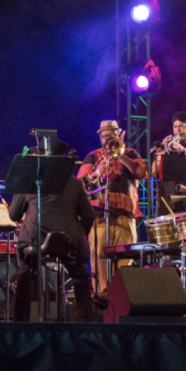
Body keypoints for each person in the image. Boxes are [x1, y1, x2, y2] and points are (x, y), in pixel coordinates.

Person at [9, 139, 96, 322]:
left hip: (35, 239)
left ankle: (19, 323)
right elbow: (88, 217)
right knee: (80, 275)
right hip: (68, 240)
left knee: (25, 273)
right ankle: (86, 323)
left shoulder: (29, 180)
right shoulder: (75, 183)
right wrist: (79, 233)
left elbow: (14, 215)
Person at [77, 120, 147, 295]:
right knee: (99, 263)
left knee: (125, 263)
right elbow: (83, 183)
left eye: (111, 135)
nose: (108, 138)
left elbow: (141, 174)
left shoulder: (130, 152)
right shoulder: (92, 156)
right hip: (100, 216)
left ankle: (123, 300)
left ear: (118, 135)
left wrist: (120, 155)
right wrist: (102, 164)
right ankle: (101, 302)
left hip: (125, 215)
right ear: (100, 138)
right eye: (104, 136)